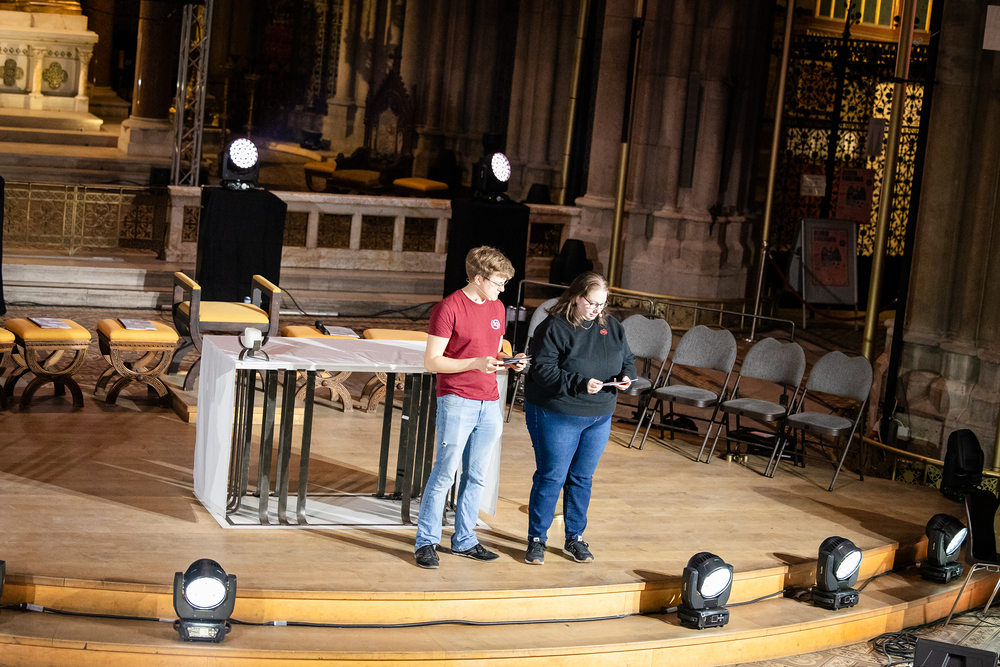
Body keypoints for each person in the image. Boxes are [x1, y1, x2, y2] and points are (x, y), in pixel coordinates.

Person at [413, 246, 525, 569]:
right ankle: (426, 542)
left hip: (489, 401)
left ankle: (464, 539)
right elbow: (432, 362)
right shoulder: (448, 308)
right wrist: (474, 363)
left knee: (476, 476)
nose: (502, 289)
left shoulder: (497, 307)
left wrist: (509, 360)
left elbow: (493, 350)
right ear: (478, 278)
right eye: (498, 282)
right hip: (457, 399)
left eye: (504, 283)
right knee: (445, 473)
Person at [522, 271, 635, 565]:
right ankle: (537, 539)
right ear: (575, 296)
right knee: (552, 476)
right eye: (592, 303)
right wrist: (579, 383)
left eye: (602, 304)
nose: (597, 310)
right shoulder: (553, 326)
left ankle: (575, 537)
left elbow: (628, 359)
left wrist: (626, 376)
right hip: (558, 412)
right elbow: (543, 370)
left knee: (582, 478)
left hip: (599, 415)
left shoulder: (611, 325)